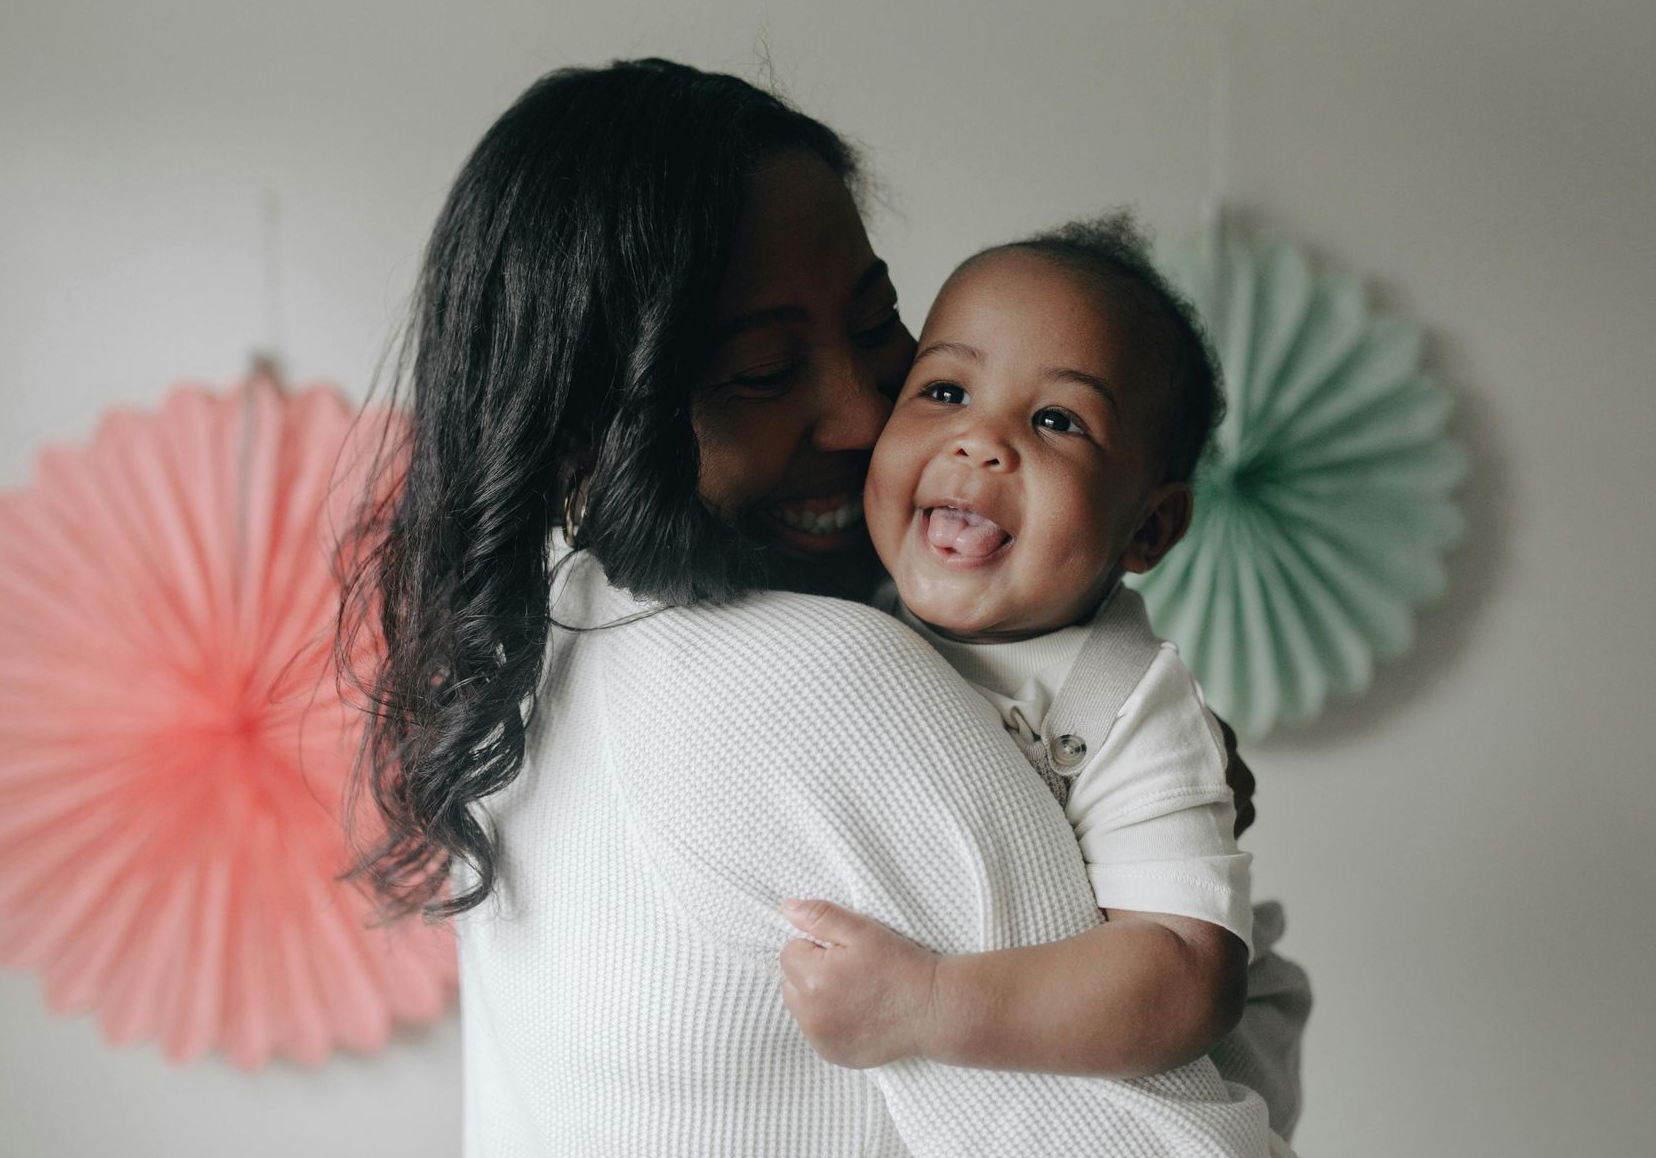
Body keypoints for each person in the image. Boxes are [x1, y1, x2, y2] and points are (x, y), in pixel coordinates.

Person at [336, 56, 1303, 1156]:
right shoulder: (824, 673)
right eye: (759, 370)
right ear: (583, 427)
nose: (863, 414)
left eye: (878, 319)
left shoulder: (532, 625)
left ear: (1153, 526)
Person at [772, 217, 1307, 1136]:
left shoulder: (1129, 698)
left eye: (1057, 420)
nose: (981, 442)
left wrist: (928, 1001)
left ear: (1149, 529)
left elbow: (1187, 972)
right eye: (943, 390)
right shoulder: (839, 605)